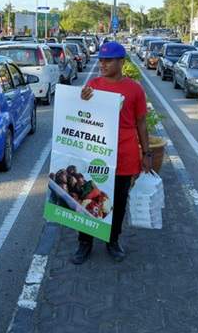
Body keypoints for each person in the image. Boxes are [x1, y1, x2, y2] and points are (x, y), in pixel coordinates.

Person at [72, 41, 151, 265]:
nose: (103, 64)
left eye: (108, 60)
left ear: (121, 62)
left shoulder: (135, 89)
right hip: (96, 153)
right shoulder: (93, 86)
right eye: (101, 60)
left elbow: (141, 123)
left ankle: (112, 240)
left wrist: (146, 153)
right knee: (89, 196)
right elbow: (79, 116)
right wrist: (81, 100)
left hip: (124, 154)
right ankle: (84, 242)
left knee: (117, 201)